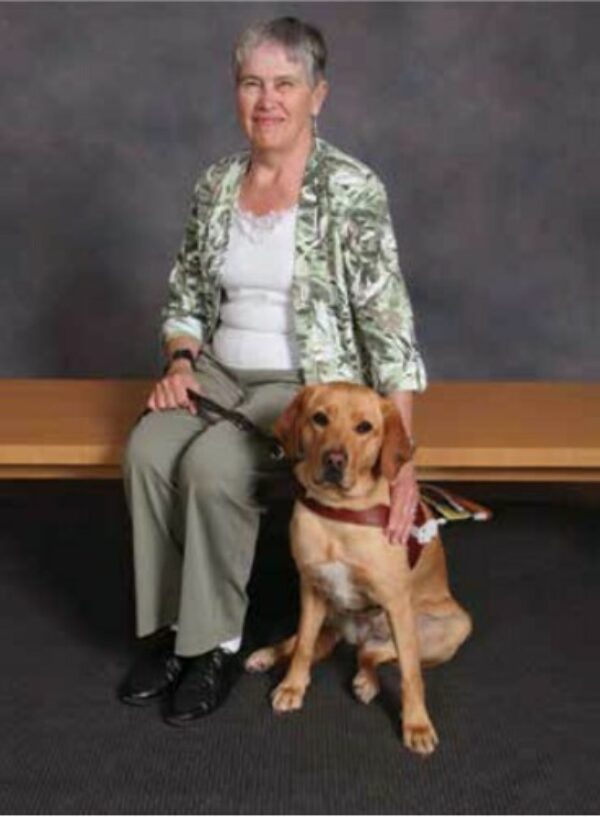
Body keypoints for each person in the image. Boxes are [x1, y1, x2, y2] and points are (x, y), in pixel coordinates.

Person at [118, 16, 428, 725]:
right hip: (219, 370)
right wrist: (181, 360)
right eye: (253, 83)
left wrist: (402, 458)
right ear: (237, 93)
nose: (268, 100)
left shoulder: (353, 189)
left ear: (317, 95)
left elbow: (390, 327)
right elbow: (186, 296)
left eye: (285, 84)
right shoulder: (216, 183)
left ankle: (217, 643)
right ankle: (173, 633)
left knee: (213, 468)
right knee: (146, 450)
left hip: (304, 386)